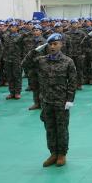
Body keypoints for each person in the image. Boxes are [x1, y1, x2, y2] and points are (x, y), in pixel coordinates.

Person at [32, 33, 77, 168]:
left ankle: (62, 154)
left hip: (61, 102)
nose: (52, 47)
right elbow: (25, 64)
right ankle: (53, 153)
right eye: (50, 44)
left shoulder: (68, 61)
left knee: (61, 129)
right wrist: (35, 50)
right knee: (49, 128)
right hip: (46, 101)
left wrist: (70, 99)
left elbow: (73, 82)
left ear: (61, 44)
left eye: (55, 44)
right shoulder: (42, 60)